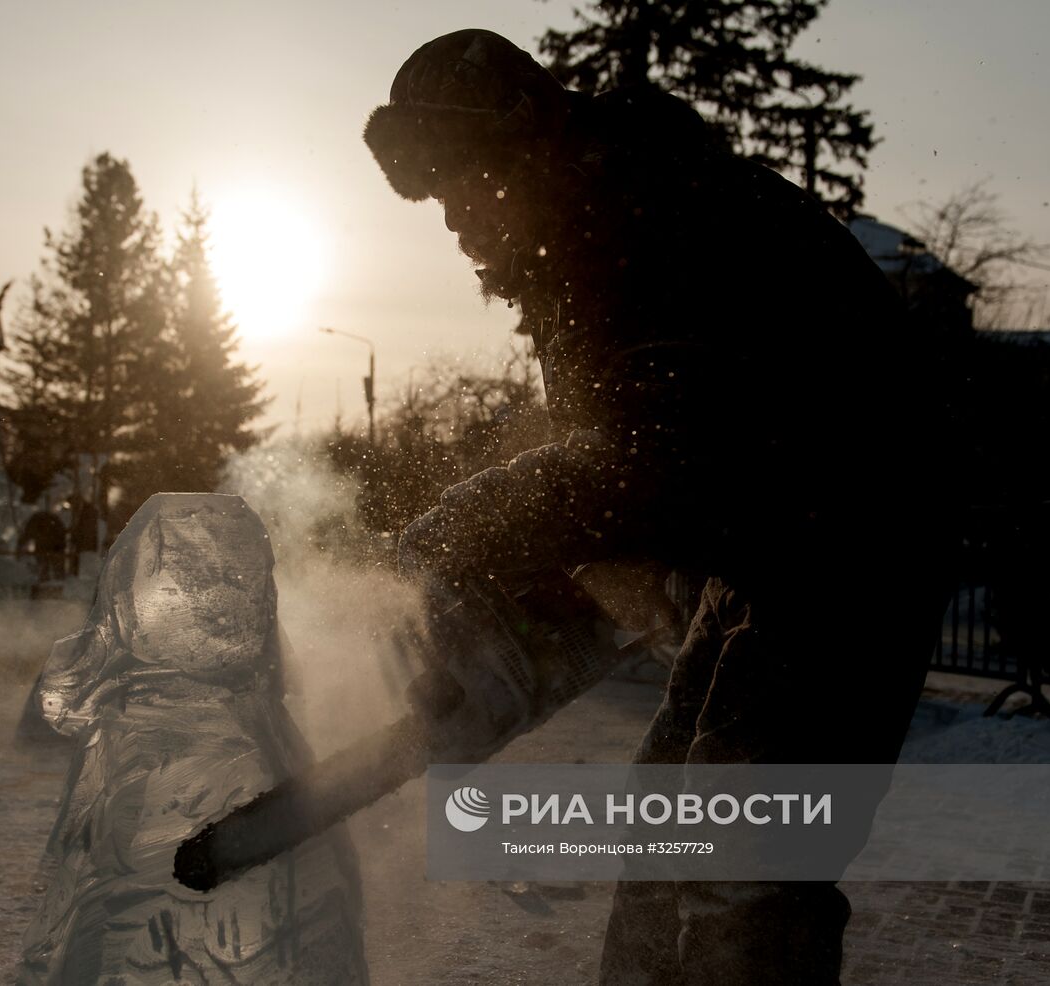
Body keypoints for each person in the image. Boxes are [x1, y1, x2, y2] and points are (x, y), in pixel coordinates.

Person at [365, 29, 955, 985]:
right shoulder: (587, 238)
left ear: (520, 149)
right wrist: (526, 620)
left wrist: (459, 537)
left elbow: (646, 462)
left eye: (460, 181)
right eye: (432, 194)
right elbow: (630, 489)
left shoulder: (649, 221)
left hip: (855, 541)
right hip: (770, 542)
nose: (451, 219)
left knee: (745, 861)